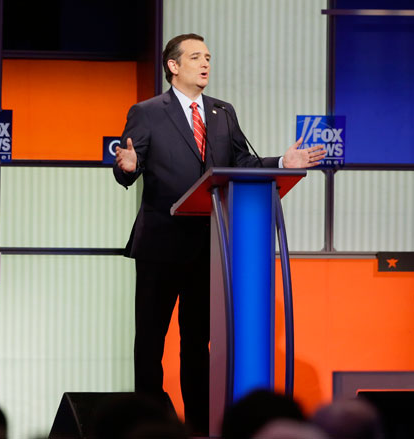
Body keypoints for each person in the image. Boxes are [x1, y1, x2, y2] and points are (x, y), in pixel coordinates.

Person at [113, 33, 324, 434]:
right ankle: (147, 425)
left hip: (209, 247)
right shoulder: (147, 111)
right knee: (150, 343)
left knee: (197, 345)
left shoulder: (222, 112)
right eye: (195, 57)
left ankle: (197, 428)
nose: (205, 64)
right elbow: (132, 160)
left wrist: (282, 160)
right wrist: (125, 166)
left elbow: (242, 161)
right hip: (160, 243)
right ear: (173, 66)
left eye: (208, 57)